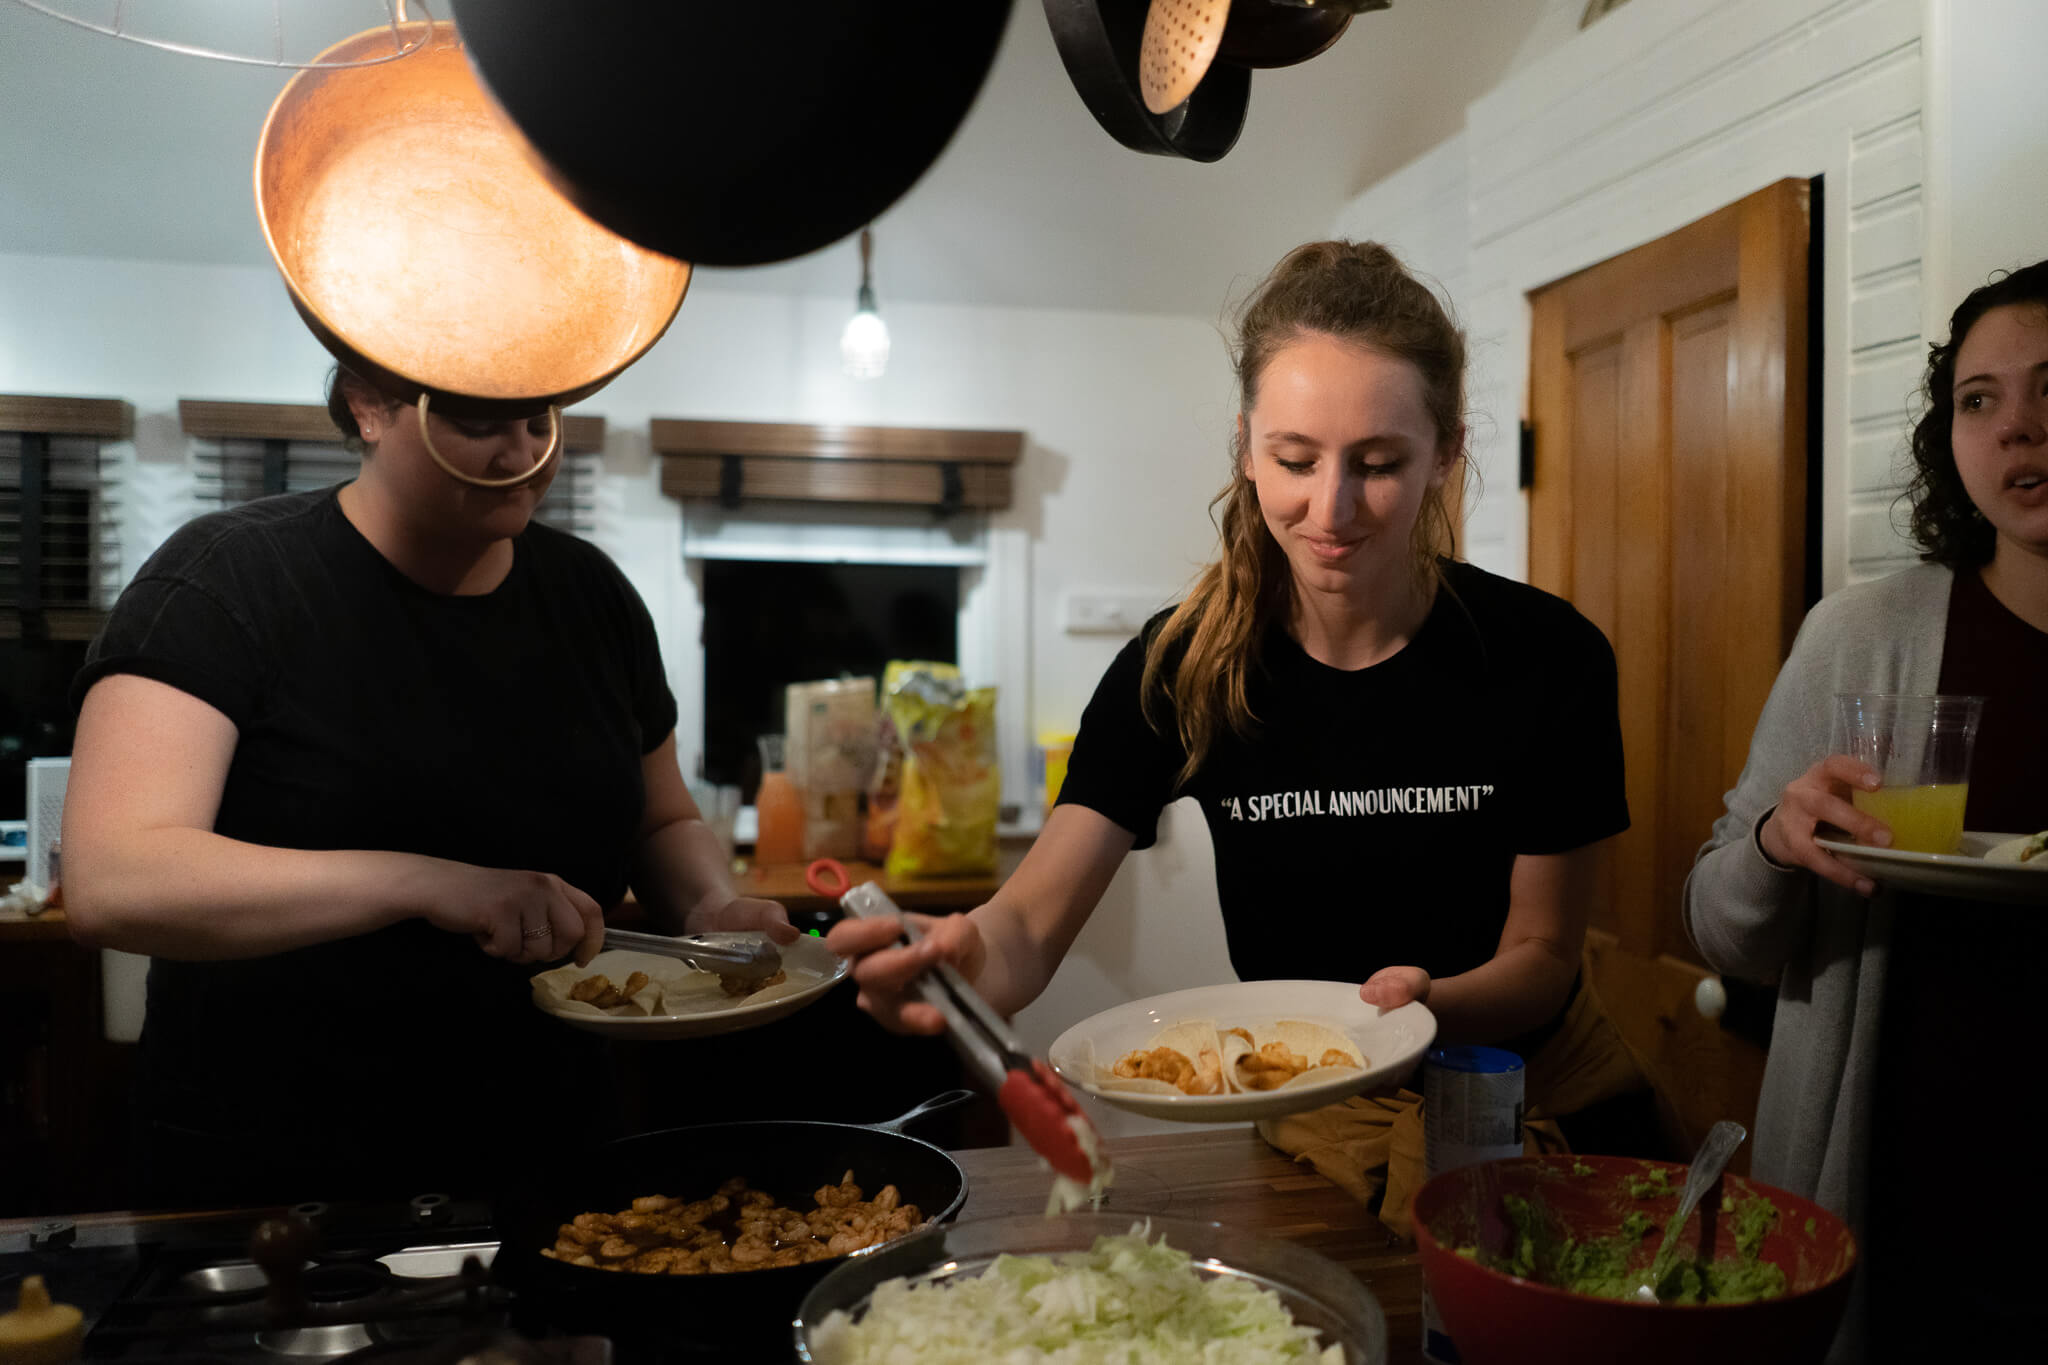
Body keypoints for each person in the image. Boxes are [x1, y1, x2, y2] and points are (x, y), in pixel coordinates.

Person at [831, 241, 1649, 1218]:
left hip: (1535, 1095)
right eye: (1293, 460)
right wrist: (962, 962)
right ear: (1244, 447)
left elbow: (1543, 957)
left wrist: (1417, 1004)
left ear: (1447, 453)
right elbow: (1025, 929)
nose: (1330, 510)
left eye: (1379, 464)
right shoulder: (1179, 667)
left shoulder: (1543, 656)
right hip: (1320, 1120)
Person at [62, 371, 794, 1207]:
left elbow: (661, 819)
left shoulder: (593, 597)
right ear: (368, 406)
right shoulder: (228, 577)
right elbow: (114, 879)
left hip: (546, 1147)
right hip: (275, 1174)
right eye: (479, 417)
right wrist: (428, 882)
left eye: (538, 417)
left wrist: (709, 910)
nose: (521, 451)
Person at [1684, 260, 2048, 1362]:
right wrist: (1772, 844)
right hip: (1906, 1204)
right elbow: (1717, 927)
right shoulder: (1862, 638)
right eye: (1977, 400)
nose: (2014, 429)